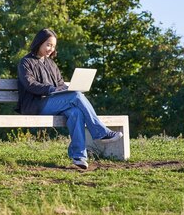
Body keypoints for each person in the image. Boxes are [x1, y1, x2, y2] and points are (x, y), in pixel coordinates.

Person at [16, 28, 123, 169]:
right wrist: (52, 89)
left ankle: (79, 157)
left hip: (54, 103)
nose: (51, 49)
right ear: (39, 42)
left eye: (53, 46)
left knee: (76, 113)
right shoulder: (26, 62)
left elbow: (60, 84)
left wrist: (66, 89)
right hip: (35, 105)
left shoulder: (51, 64)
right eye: (48, 44)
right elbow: (30, 84)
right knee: (77, 96)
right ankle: (101, 132)